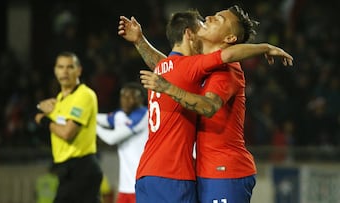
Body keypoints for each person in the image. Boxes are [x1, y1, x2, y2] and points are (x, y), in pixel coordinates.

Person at [118, 8, 293, 203]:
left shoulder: (226, 69)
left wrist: (265, 47)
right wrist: (140, 41)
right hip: (203, 171)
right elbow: (169, 67)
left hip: (224, 170)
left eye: (218, 19)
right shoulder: (197, 65)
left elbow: (209, 106)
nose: (208, 17)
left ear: (229, 38)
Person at [34, 51, 103, 203]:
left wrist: (44, 120)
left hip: (82, 168)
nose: (65, 71)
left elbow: (66, 133)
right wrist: (40, 108)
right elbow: (51, 127)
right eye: (61, 67)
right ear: (55, 70)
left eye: (70, 67)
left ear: (79, 70)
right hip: (67, 171)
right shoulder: (59, 99)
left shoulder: (84, 95)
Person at [96, 82, 148, 203]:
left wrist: (92, 126)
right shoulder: (120, 115)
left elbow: (111, 138)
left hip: (140, 185)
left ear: (141, 99)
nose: (126, 100)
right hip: (124, 187)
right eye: (123, 96)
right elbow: (101, 118)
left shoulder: (144, 114)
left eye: (131, 96)